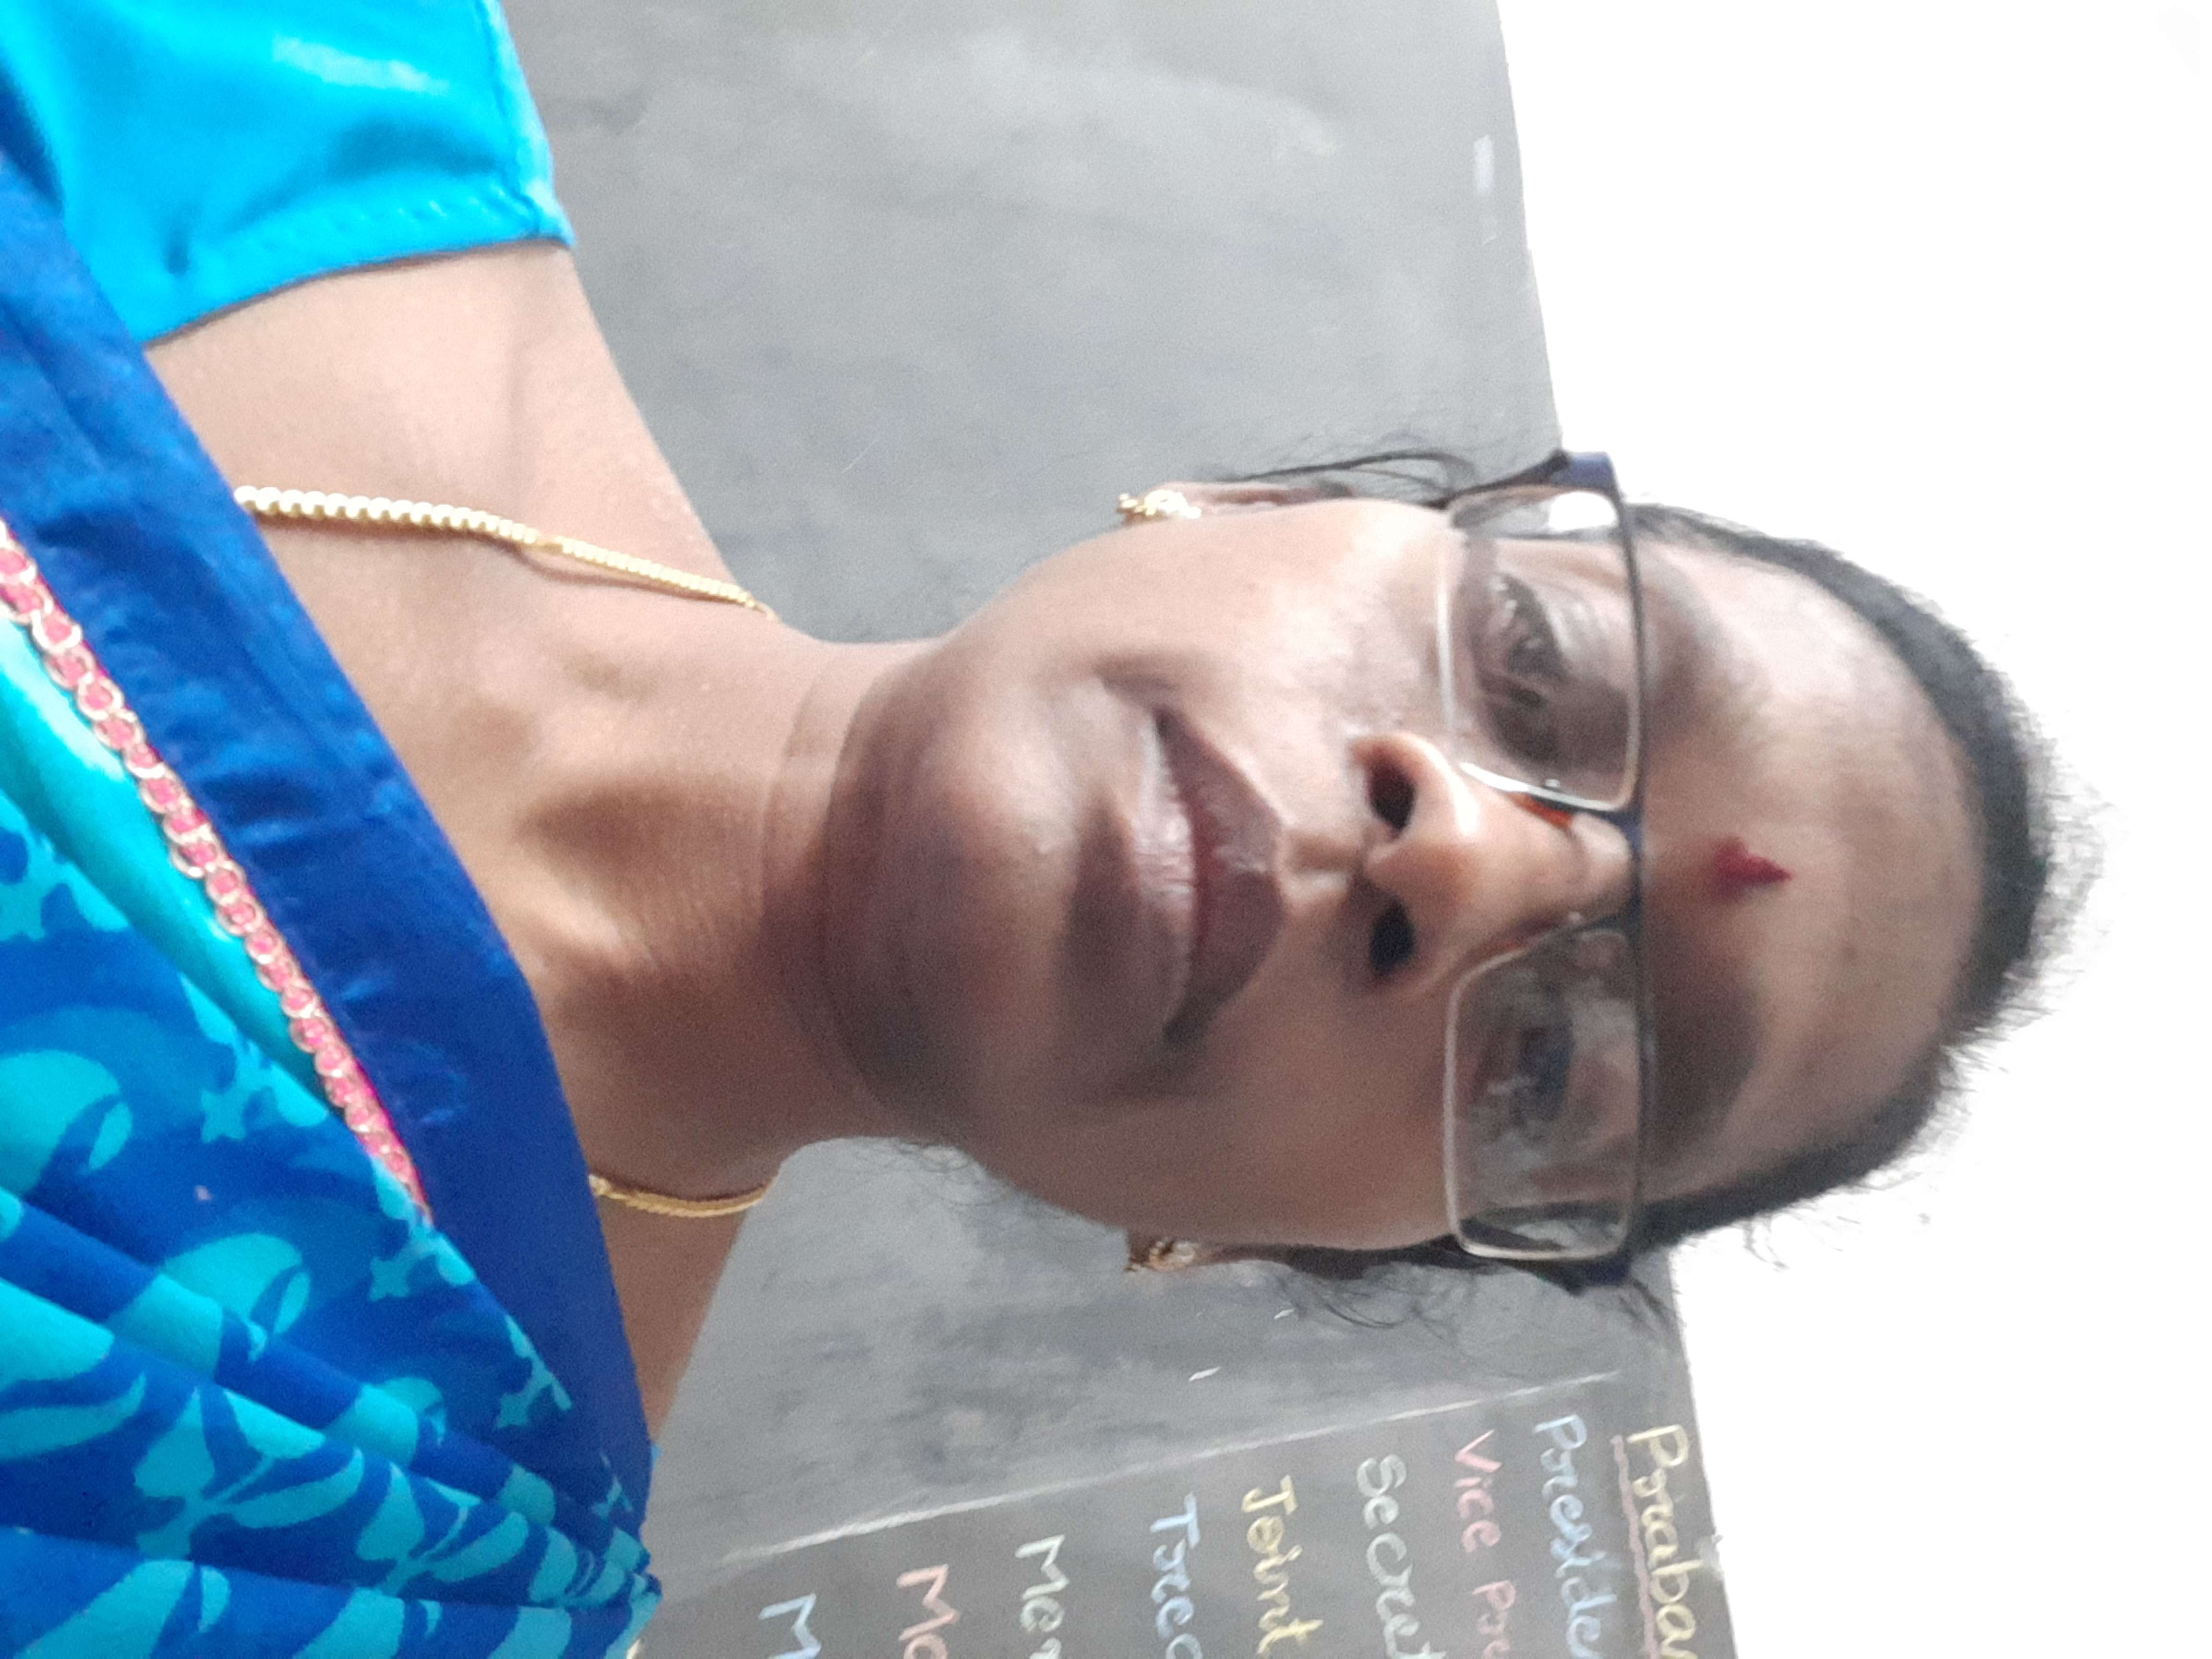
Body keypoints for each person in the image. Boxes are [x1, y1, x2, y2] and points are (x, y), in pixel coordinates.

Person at [0, 2, 2053, 1653]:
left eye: (1551, 1074)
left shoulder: (362, 1559)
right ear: (1269, 508)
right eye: (1535, 667)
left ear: (1270, 1244)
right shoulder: (296, 63)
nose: (1467, 861)